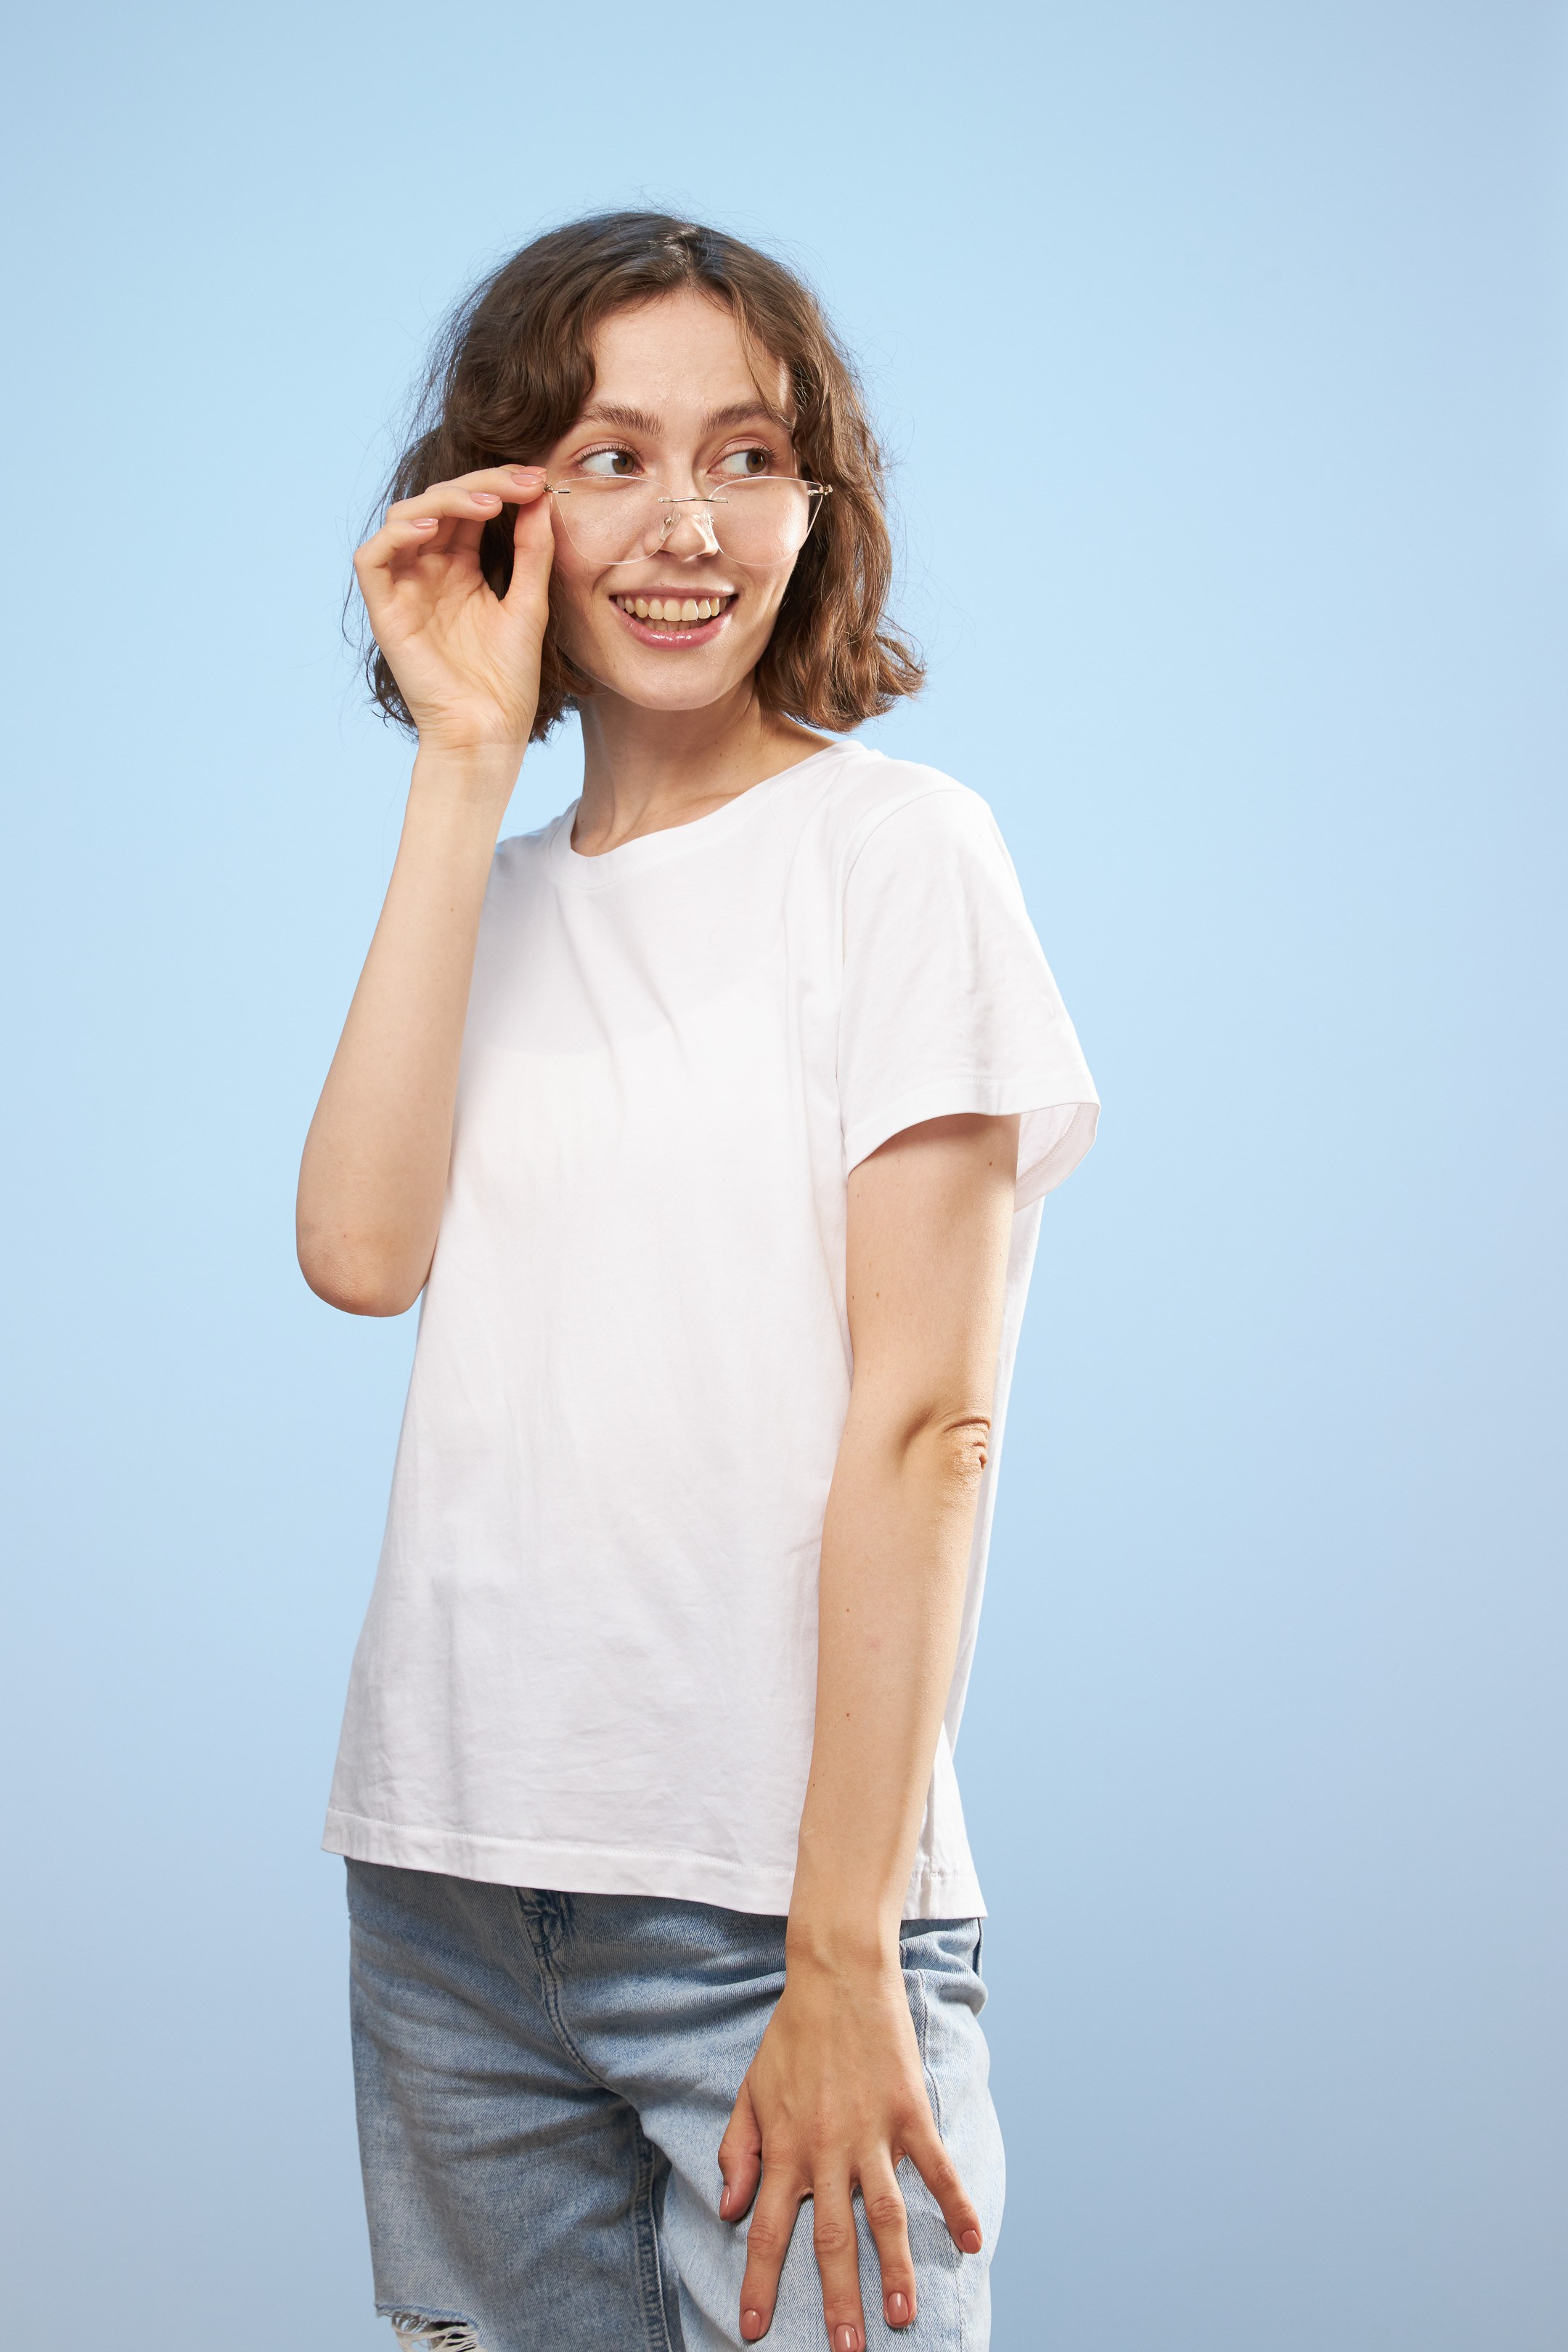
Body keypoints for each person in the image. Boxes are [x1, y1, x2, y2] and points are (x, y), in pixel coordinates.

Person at [298, 211, 1098, 2352]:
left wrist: (844, 1954)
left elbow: (931, 1426)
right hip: (451, 1888)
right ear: (508, 504)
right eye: (611, 454)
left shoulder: (898, 853)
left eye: (744, 456)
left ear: (815, 509)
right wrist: (464, 758)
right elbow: (361, 1256)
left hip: (776, 1918)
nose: (683, 522)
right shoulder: (497, 885)